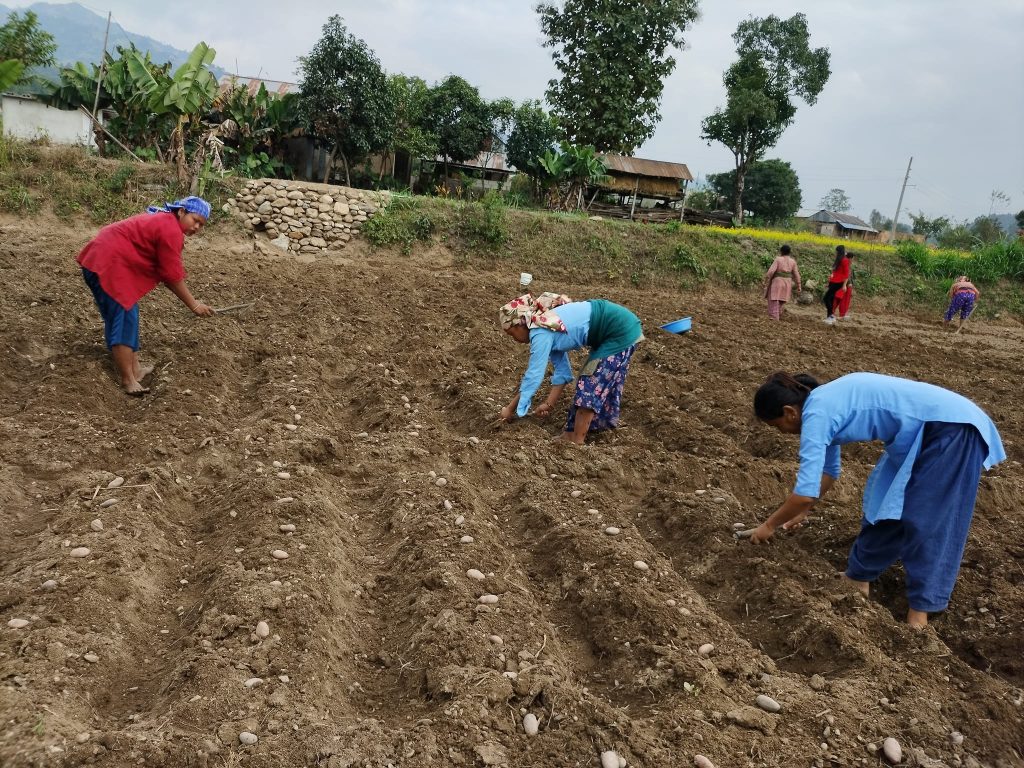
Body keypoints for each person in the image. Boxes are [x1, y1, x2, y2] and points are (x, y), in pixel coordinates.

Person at [748, 371, 1005, 628]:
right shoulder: (822, 404)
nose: (781, 433)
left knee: (928, 518)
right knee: (885, 503)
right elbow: (829, 472)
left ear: (789, 412)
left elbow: (805, 493)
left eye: (776, 425)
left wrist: (769, 525)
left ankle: (920, 613)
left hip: (952, 428)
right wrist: (801, 511)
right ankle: (858, 578)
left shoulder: (817, 414)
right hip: (922, 432)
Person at [77, 196, 216, 395]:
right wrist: (194, 305)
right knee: (124, 316)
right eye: (195, 220)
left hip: (108, 261)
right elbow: (171, 276)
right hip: (106, 263)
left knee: (129, 313)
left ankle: (135, 370)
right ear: (181, 212)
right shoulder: (170, 229)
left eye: (201, 225)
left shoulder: (166, 223)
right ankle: (128, 380)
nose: (197, 227)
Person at [498, 292, 643, 445]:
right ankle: (569, 435)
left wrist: (510, 409)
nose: (514, 339)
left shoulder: (540, 332)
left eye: (511, 334)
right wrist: (548, 404)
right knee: (586, 380)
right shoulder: (548, 325)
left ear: (520, 323)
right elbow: (563, 373)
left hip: (620, 330)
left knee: (590, 385)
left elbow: (533, 375)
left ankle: (576, 443)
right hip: (616, 329)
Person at [762, 244, 802, 320]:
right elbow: (796, 274)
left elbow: (771, 271)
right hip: (787, 283)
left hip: (777, 282)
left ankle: (774, 317)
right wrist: (799, 285)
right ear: (789, 252)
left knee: (773, 299)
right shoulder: (792, 261)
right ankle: (778, 314)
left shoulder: (778, 259)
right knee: (781, 299)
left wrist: (766, 280)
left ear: (781, 251)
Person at [822, 246, 855, 325]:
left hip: (839, 282)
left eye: (836, 251)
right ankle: (829, 317)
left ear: (839, 252)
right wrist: (829, 282)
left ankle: (831, 316)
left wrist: (844, 285)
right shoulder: (838, 260)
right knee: (830, 299)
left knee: (826, 298)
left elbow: (846, 274)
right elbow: (835, 273)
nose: (835, 253)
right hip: (834, 281)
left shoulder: (845, 260)